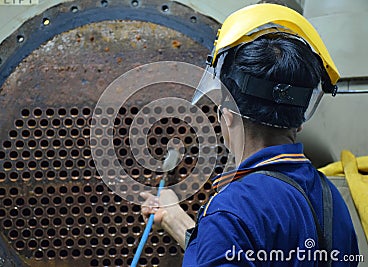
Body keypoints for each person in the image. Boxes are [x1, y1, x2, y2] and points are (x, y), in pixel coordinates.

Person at [141, 3, 359, 266]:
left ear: (227, 116)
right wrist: (175, 218)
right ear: (299, 123)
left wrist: (213, 226)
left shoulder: (230, 211)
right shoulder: (332, 202)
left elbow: (237, 241)